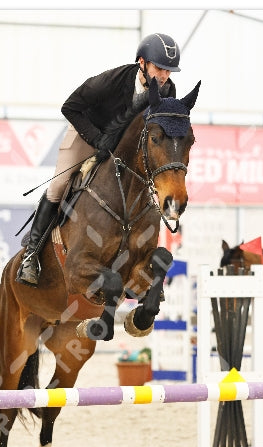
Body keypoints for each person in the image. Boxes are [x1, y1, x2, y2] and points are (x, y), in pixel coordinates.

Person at [16, 33, 181, 287]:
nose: (164, 77)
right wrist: (96, 139)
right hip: (86, 133)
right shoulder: (110, 81)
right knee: (59, 185)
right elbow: (69, 107)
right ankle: (32, 254)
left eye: (169, 71)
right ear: (142, 63)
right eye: (159, 68)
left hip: (122, 146)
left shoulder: (167, 90)